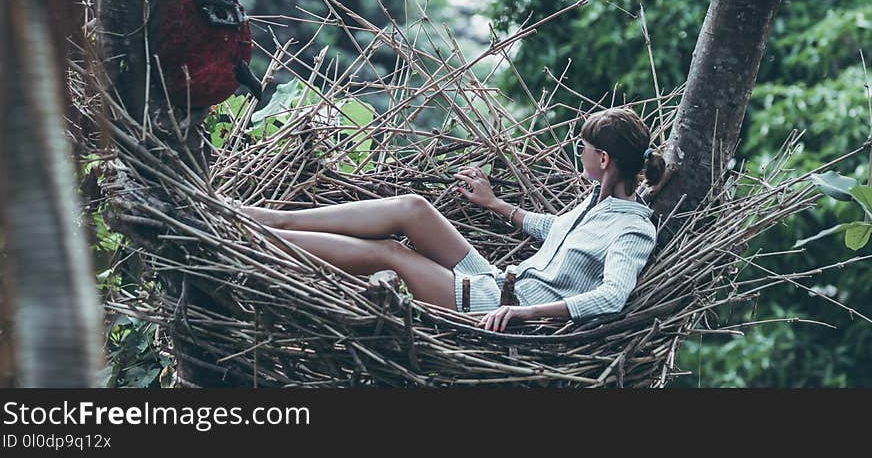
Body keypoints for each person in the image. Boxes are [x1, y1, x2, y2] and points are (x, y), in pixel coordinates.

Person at [235, 107, 665, 332]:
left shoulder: (632, 228)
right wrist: (495, 204)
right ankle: (273, 219)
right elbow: (559, 232)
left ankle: (259, 237)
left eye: (583, 148)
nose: (579, 154)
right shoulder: (595, 200)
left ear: (603, 159)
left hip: (498, 306)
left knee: (392, 254)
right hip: (496, 280)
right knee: (414, 208)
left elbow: (612, 297)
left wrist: (526, 315)